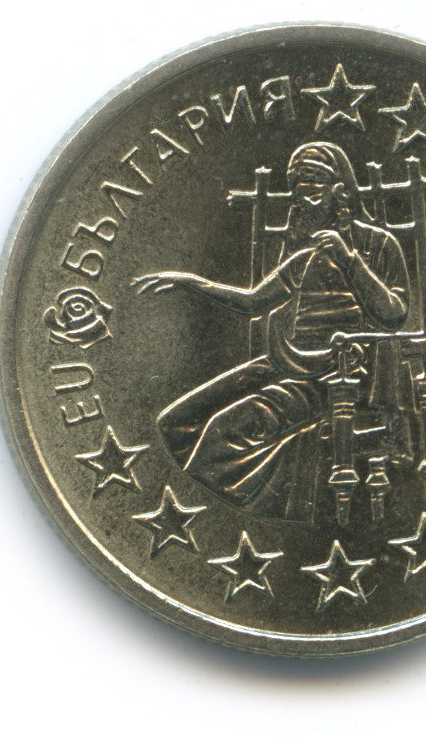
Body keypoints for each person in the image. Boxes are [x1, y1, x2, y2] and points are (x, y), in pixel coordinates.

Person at [133, 141, 411, 522]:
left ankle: (247, 519)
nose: (300, 202)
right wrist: (191, 282)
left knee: (221, 433)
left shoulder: (379, 246)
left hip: (344, 374)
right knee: (176, 421)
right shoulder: (307, 256)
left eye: (311, 189)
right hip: (291, 363)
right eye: (296, 193)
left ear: (340, 193)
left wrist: (349, 260)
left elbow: (394, 315)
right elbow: (252, 302)